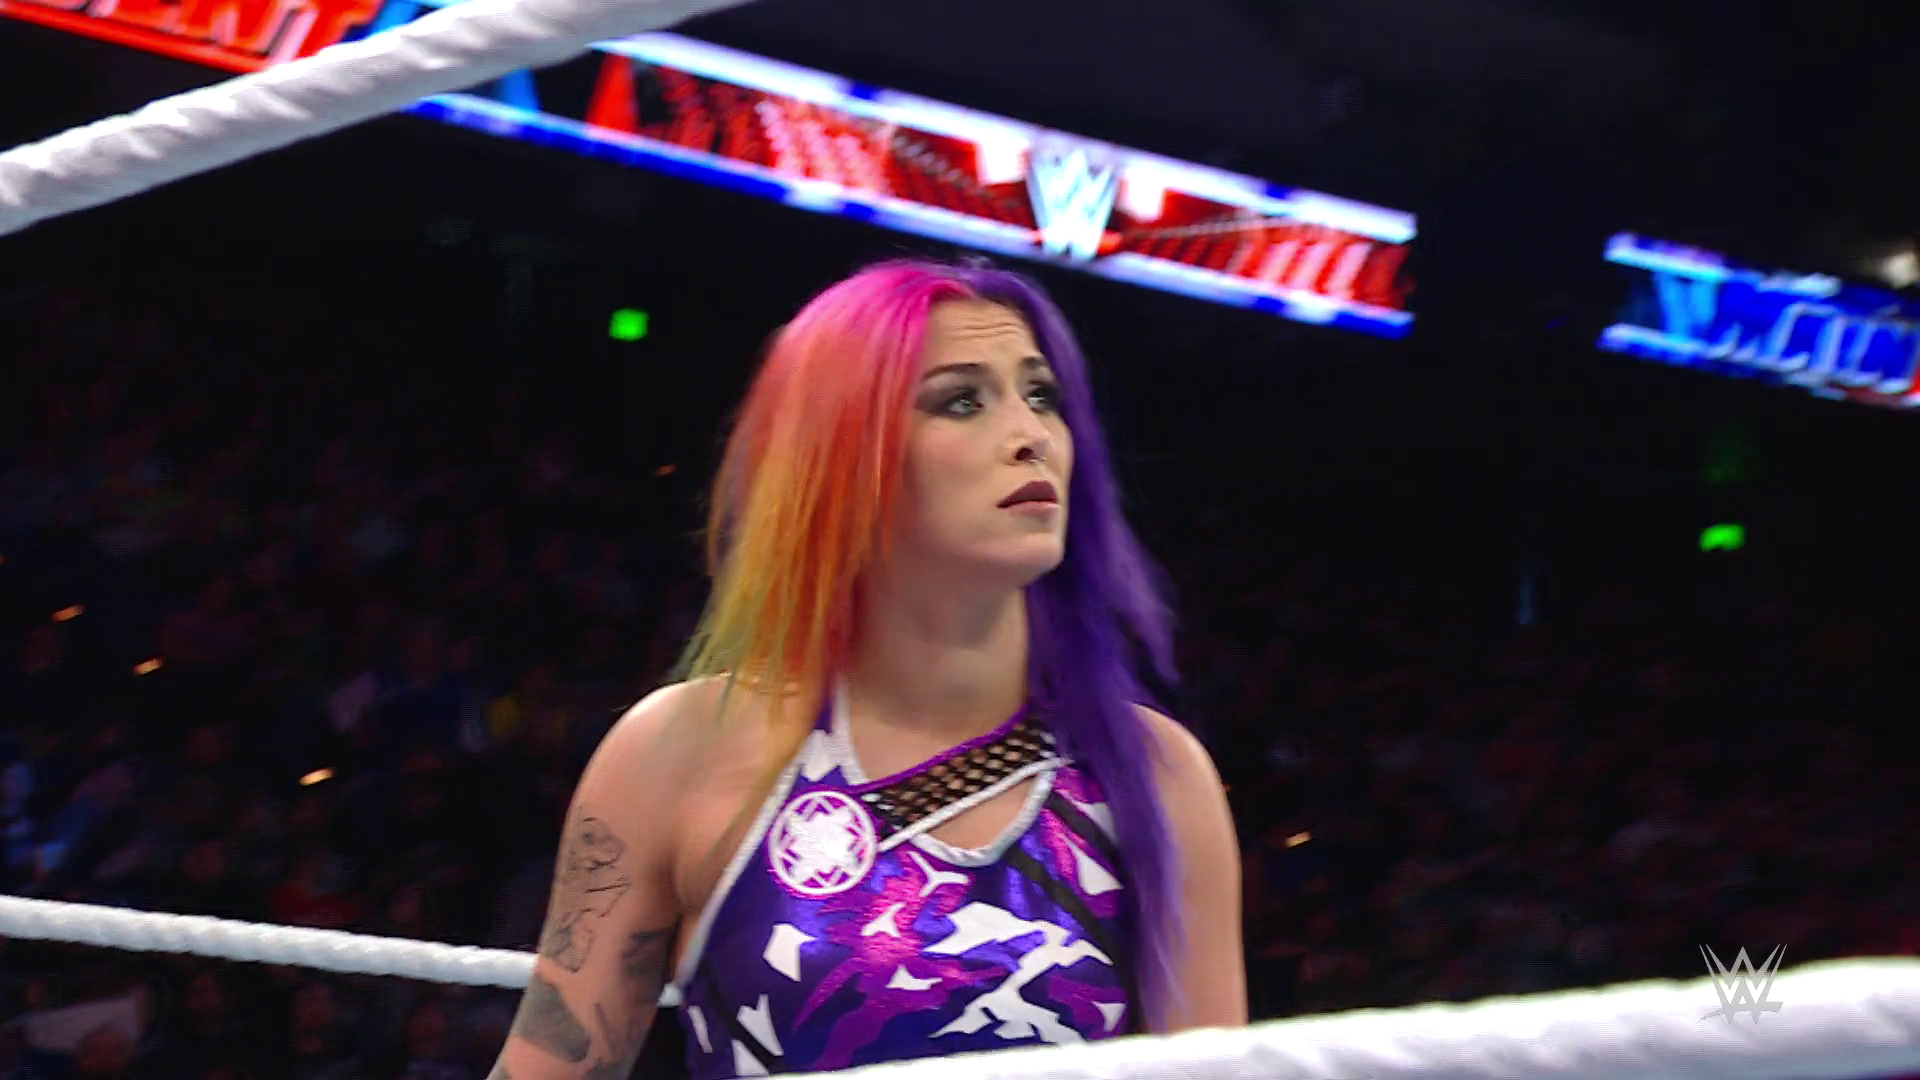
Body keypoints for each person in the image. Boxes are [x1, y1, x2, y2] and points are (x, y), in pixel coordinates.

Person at [488, 260, 1245, 1080]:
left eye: (1041, 395)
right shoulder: (681, 749)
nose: (1030, 433)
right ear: (843, 452)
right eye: (962, 401)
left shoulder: (1156, 775)